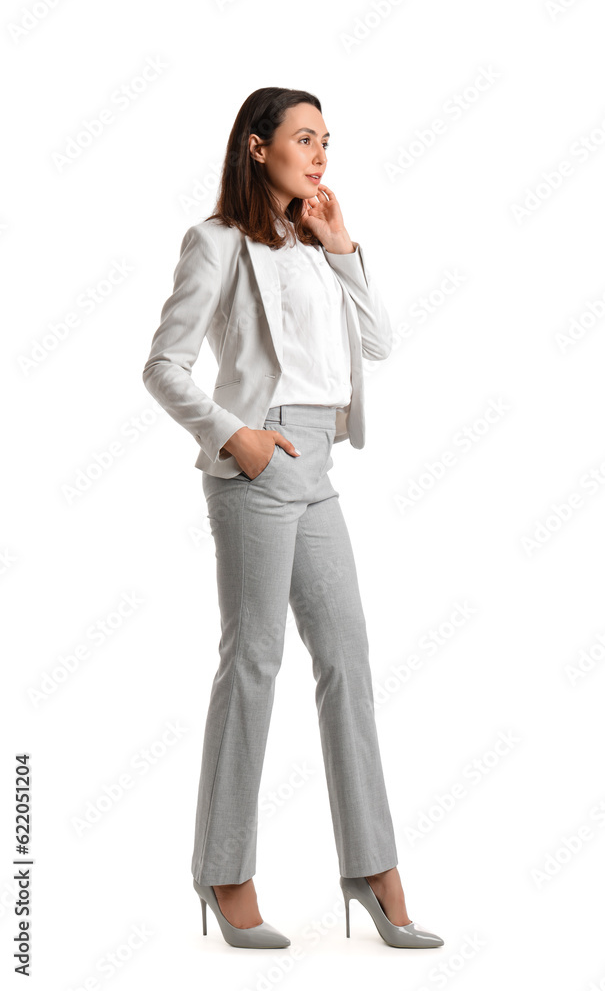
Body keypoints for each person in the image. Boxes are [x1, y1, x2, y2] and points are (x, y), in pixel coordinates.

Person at [142, 87, 443, 951]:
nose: (318, 155)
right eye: (303, 138)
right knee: (255, 663)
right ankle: (225, 870)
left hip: (319, 466)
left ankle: (373, 870)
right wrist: (236, 437)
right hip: (257, 464)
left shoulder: (317, 245)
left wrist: (342, 243)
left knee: (346, 659)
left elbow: (378, 342)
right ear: (254, 147)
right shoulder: (216, 243)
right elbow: (163, 365)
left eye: (325, 141)